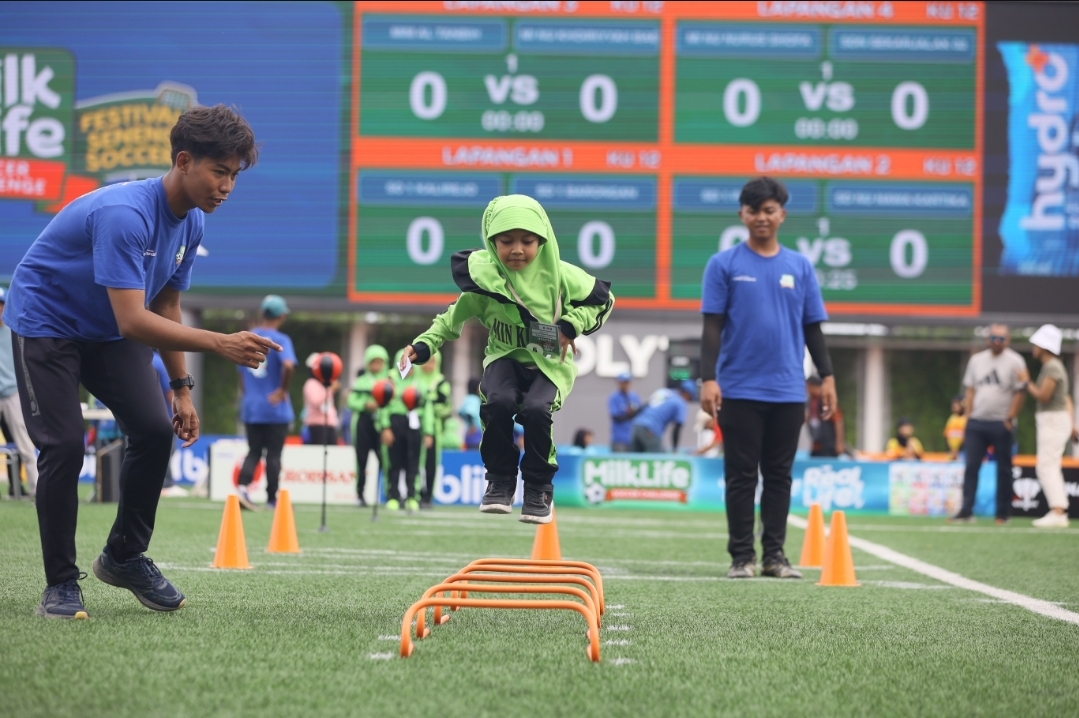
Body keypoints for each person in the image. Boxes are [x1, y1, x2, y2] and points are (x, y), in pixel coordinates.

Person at [4, 104, 276, 619]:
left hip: (105, 331)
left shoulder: (191, 222)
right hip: (46, 323)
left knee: (154, 431)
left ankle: (125, 556)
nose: (226, 187)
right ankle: (61, 584)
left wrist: (180, 388)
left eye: (234, 176)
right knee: (62, 444)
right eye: (219, 172)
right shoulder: (125, 215)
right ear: (183, 160)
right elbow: (134, 321)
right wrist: (220, 343)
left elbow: (166, 305)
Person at [399, 194, 614, 524]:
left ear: (542, 241)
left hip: (549, 365)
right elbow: (451, 319)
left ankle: (539, 487)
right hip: (504, 359)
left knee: (536, 410)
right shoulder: (484, 281)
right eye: (506, 241)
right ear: (490, 240)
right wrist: (424, 345)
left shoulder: (562, 277)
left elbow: (603, 301)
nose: (517, 249)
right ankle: (499, 481)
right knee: (498, 402)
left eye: (527, 241)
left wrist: (572, 324)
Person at [699, 177, 836, 580]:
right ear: (742, 214)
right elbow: (712, 327)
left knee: (779, 475)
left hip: (789, 389)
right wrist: (708, 378)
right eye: (754, 210)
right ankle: (742, 557)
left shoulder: (800, 266)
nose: (762, 217)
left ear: (782, 215)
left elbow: (813, 328)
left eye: (770, 209)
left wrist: (826, 376)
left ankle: (775, 556)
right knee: (740, 476)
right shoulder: (723, 264)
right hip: (738, 388)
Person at [949, 324, 1027, 525]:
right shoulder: (976, 360)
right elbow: (971, 390)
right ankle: (966, 511)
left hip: (1002, 423)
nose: (997, 342)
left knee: (1004, 469)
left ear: (1007, 340)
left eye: (1001, 338)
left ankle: (1002, 514)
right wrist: (968, 416)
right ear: (987, 338)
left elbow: (1020, 391)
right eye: (994, 337)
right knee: (971, 467)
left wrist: (1010, 418)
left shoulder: (1016, 361)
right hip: (977, 422)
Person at [236, 295, 297, 510]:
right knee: (273, 454)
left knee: (253, 451)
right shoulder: (282, 340)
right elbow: (288, 365)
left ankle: (242, 489)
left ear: (261, 314)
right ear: (282, 316)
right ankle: (272, 499)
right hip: (275, 408)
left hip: (252, 406)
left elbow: (241, 375)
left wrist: (250, 394)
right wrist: (281, 390)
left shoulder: (248, 338)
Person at [1024, 325, 1076, 528]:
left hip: (1053, 420)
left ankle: (1058, 511)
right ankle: (1059, 510)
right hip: (1056, 419)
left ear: (1044, 346)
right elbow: (1067, 398)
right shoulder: (1054, 365)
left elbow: (1043, 396)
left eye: (1036, 343)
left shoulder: (1052, 366)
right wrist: (1071, 424)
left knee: (1046, 466)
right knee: (1050, 466)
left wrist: (1025, 381)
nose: (1033, 347)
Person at [0, 287, 39, 498]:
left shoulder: (15, 331)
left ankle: (37, 492)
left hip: (12, 394)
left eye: (1, 304)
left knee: (25, 447)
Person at [379, 348, 423, 511]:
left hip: (414, 423)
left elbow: (427, 408)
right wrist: (385, 427)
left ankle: (412, 496)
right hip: (394, 422)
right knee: (394, 462)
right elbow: (382, 407)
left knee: (413, 461)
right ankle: (393, 496)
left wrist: (428, 431)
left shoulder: (420, 382)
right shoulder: (389, 381)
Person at [347, 344, 388, 507]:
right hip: (363, 424)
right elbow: (351, 401)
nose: (376, 366)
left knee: (384, 459)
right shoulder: (361, 381)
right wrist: (365, 404)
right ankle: (360, 494)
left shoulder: (388, 381)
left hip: (381, 425)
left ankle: (387, 494)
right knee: (361, 459)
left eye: (380, 362)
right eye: (373, 362)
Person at [418, 350, 453, 509]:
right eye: (426, 361)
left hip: (434, 428)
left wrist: (429, 406)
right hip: (415, 426)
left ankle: (427, 496)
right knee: (414, 461)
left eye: (432, 361)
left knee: (431, 463)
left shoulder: (441, 382)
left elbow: (446, 408)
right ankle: (415, 493)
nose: (428, 365)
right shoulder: (415, 379)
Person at [630, 382, 697, 453]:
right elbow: (677, 428)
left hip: (636, 425)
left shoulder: (663, 391)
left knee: (635, 459)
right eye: (690, 398)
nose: (688, 401)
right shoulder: (680, 402)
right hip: (651, 429)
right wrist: (675, 449)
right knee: (659, 460)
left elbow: (644, 407)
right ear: (687, 394)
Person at [303, 353, 339, 446]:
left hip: (330, 425)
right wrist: (331, 390)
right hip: (317, 426)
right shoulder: (311, 383)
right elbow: (316, 401)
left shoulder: (325, 385)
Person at [807, 375, 845, 457]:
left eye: (807, 386)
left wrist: (839, 443)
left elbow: (838, 421)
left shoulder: (826, 400)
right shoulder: (811, 401)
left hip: (829, 445)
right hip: (817, 445)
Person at [608, 371, 641, 452]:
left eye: (627, 382)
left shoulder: (634, 397)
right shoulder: (614, 398)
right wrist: (630, 414)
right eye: (623, 382)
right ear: (619, 383)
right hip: (619, 439)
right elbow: (615, 417)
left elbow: (639, 414)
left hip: (633, 438)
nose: (625, 385)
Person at [458, 378, 483, 449]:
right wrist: (472, 425)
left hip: (468, 432)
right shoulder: (474, 399)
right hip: (475, 432)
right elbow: (469, 412)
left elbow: (460, 412)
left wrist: (467, 423)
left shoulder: (467, 398)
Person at [944, 394, 967, 460]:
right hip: (951, 453)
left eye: (956, 403)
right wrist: (950, 450)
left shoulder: (966, 419)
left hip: (963, 452)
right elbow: (946, 436)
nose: (954, 406)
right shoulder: (951, 419)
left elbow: (967, 437)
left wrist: (958, 450)